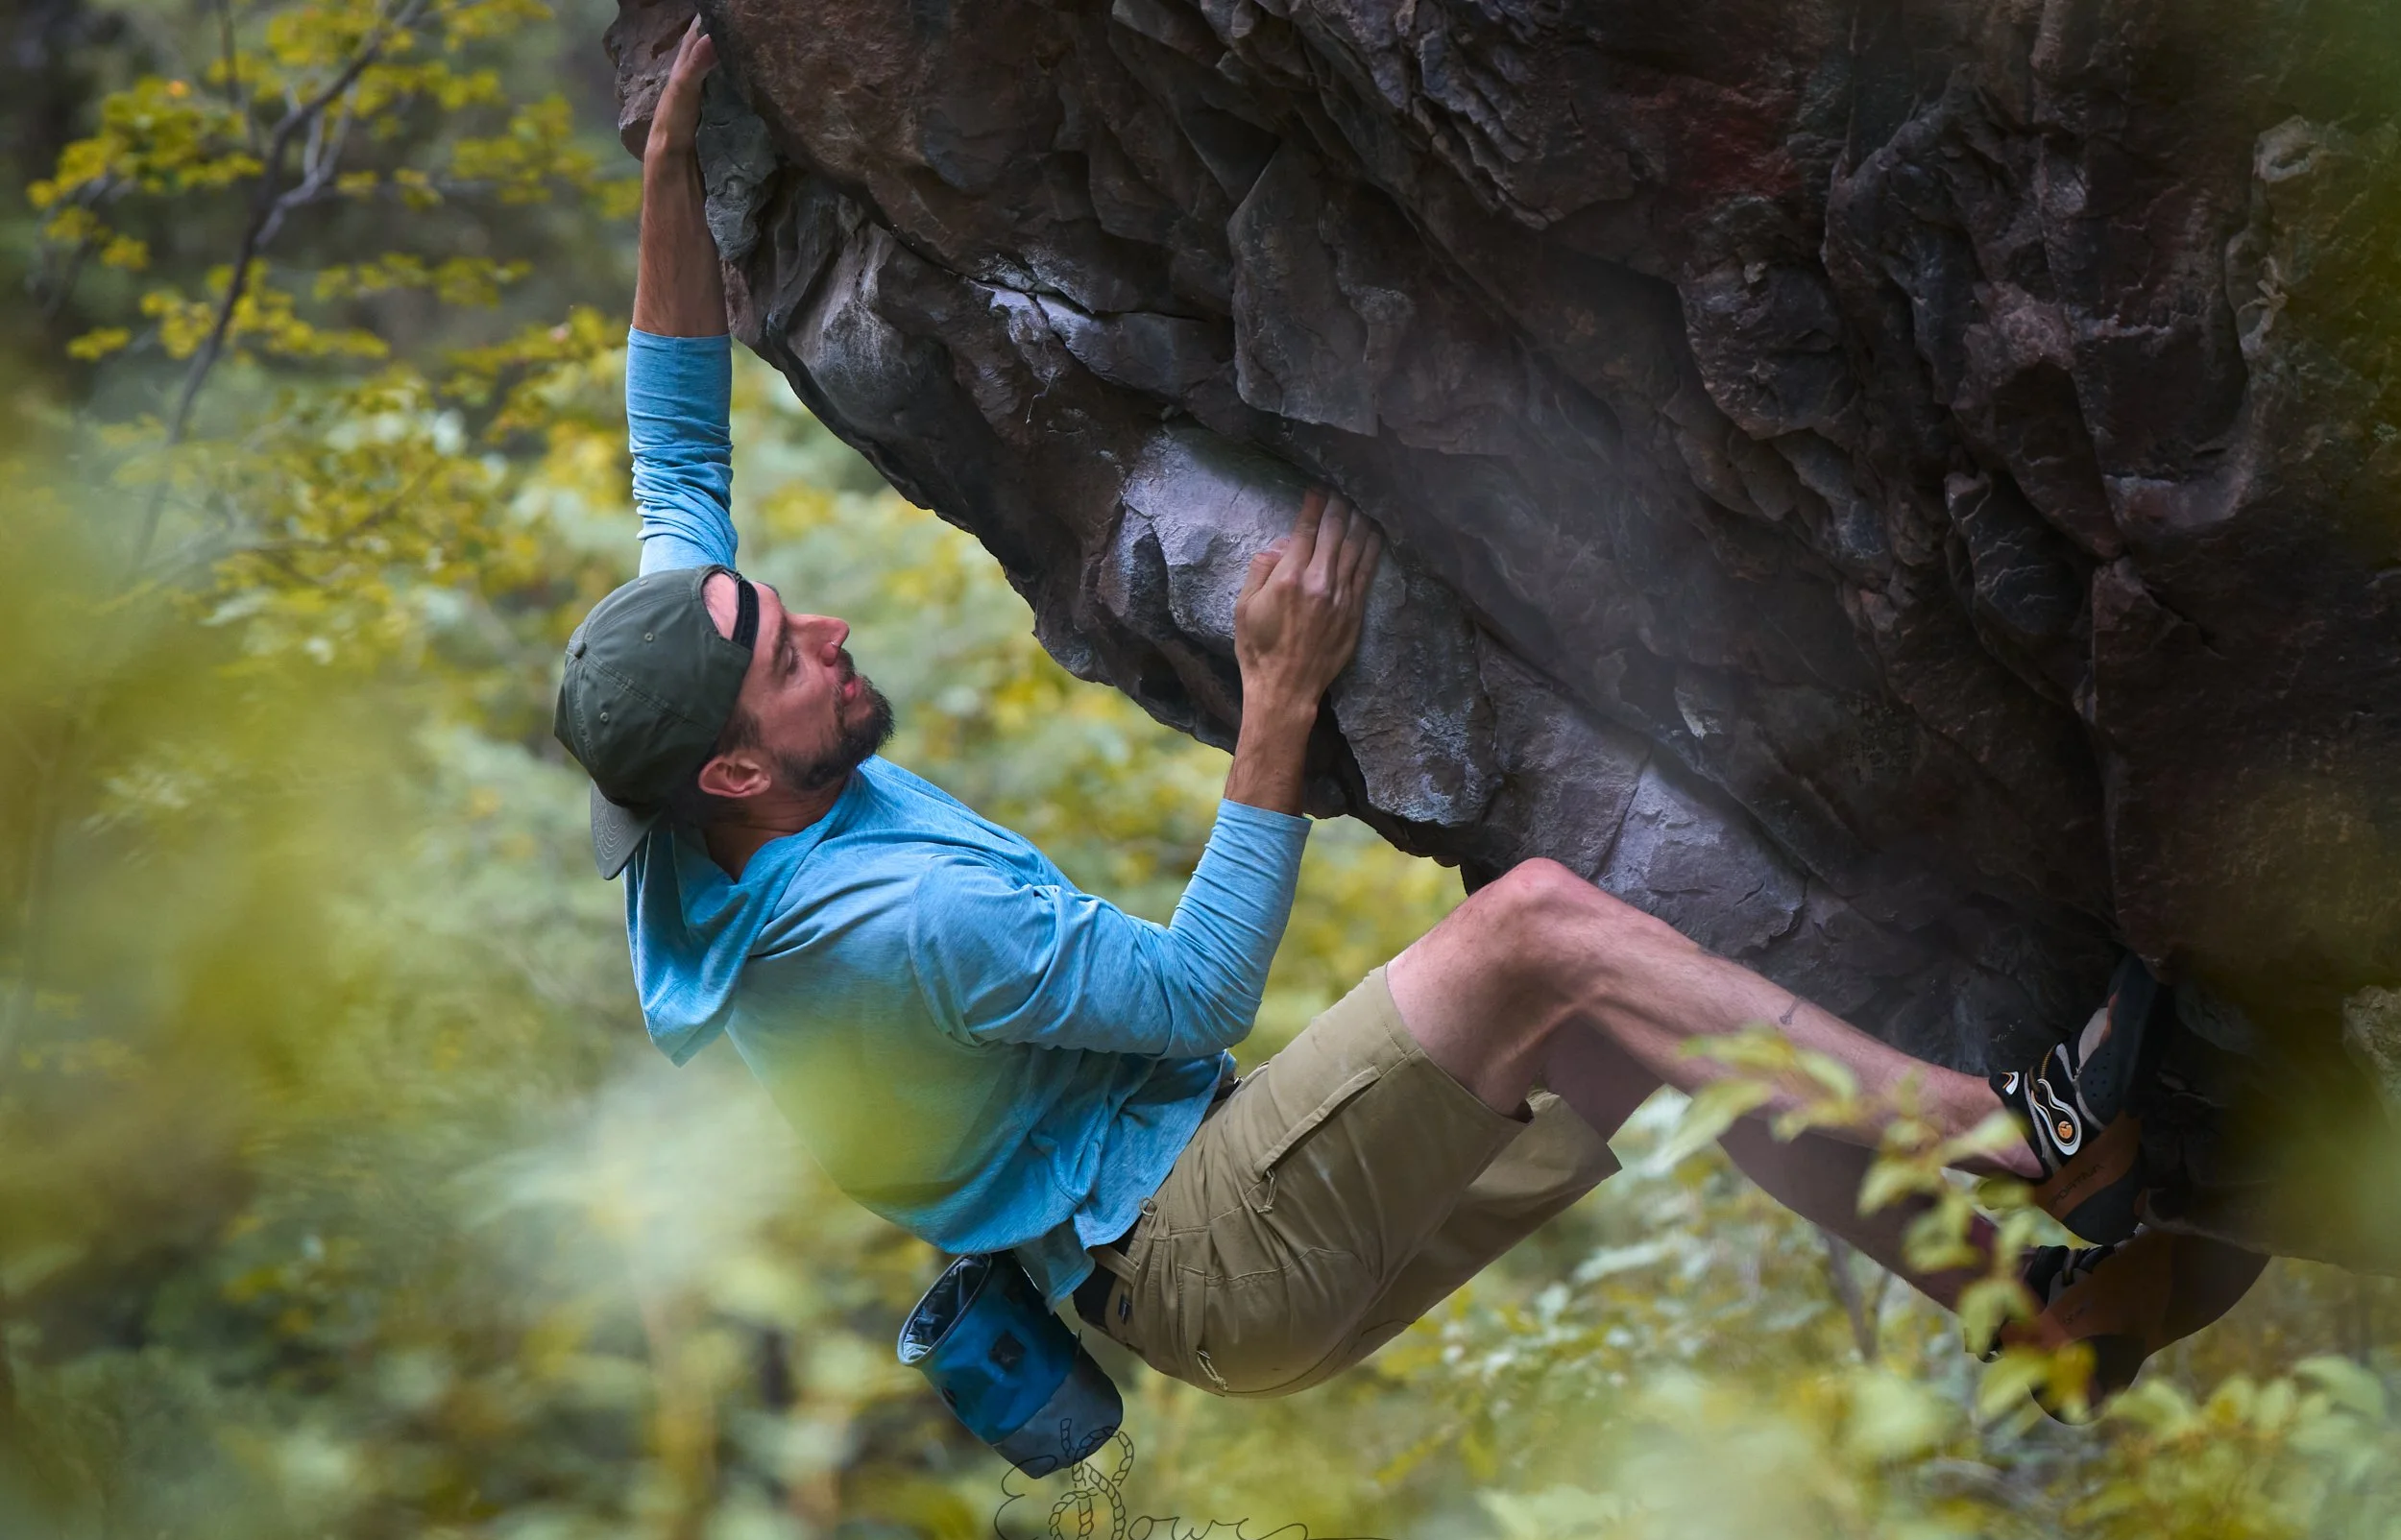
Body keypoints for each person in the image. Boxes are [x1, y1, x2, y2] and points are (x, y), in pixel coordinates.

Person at [558, 20, 2253, 1414]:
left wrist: (670, 175)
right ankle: (2021, 1133)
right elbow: (1192, 992)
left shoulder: (686, 786)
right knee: (1536, 937)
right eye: (792, 658)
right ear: (736, 766)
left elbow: (680, 466)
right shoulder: (894, 930)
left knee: (1622, 1024)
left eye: (784, 620)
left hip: (1203, 1193)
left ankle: (2032, 1311)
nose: (823, 632)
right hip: (1203, 1250)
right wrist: (1278, 698)